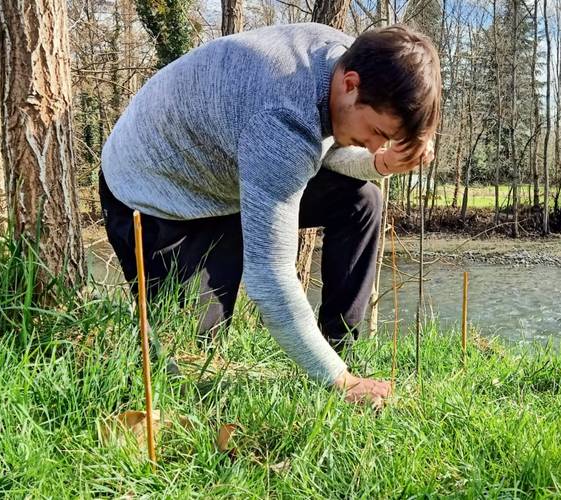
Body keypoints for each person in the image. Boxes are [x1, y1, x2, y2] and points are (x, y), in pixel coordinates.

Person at [98, 23, 441, 408]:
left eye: (388, 138)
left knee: (362, 201)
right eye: (378, 132)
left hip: (229, 173)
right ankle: (341, 378)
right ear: (350, 84)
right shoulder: (282, 119)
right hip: (156, 197)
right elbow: (270, 277)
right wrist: (337, 382)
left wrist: (380, 162)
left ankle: (340, 347)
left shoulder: (346, 57)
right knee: (191, 362)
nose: (377, 143)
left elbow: (326, 144)